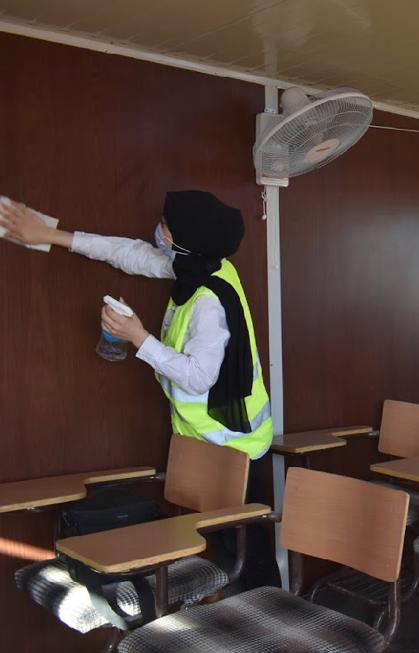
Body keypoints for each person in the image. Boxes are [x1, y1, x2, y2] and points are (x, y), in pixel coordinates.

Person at [0, 191, 278, 587]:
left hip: (236, 443)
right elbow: (130, 254)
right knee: (224, 548)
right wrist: (53, 236)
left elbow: (199, 377)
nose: (159, 231)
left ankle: (266, 616)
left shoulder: (209, 301)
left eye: (166, 226)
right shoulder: (201, 265)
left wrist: (138, 337)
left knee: (247, 554)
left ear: (185, 241)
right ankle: (238, 613)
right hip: (205, 440)